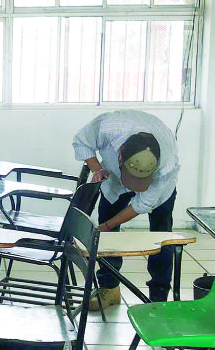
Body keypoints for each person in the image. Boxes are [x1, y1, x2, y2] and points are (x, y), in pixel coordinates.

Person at [72, 109, 180, 308]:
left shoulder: (167, 165)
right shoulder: (108, 128)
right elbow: (81, 141)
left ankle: (158, 297)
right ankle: (109, 289)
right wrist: (97, 169)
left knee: (162, 238)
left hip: (161, 193)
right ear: (119, 156)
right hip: (112, 179)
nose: (131, 187)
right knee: (108, 236)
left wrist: (107, 225)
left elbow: (143, 204)